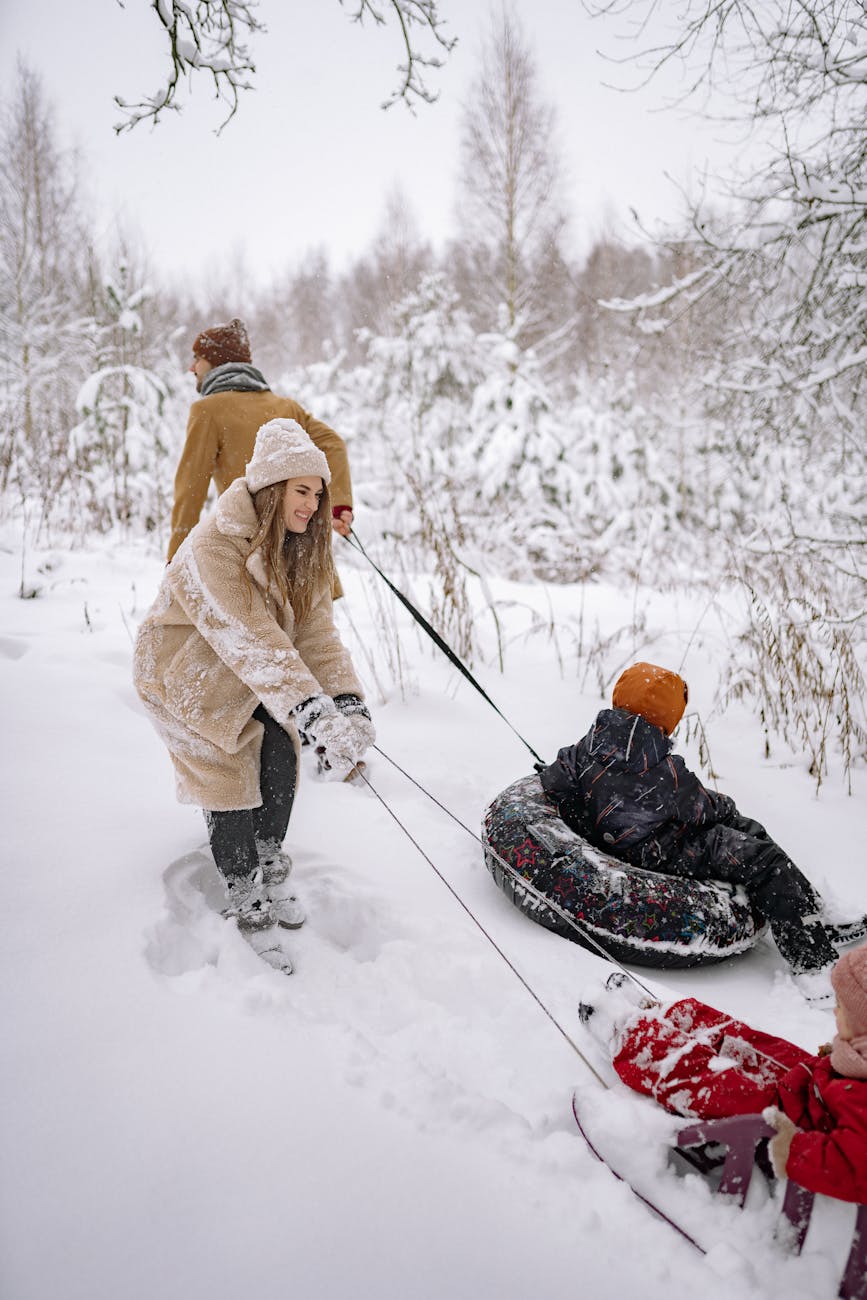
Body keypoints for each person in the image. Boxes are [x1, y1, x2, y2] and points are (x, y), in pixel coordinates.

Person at [135, 417, 374, 972]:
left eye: (319, 493)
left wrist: (345, 702)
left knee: (279, 751)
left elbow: (315, 635)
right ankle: (244, 891)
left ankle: (269, 861)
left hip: (246, 671)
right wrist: (311, 708)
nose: (313, 505)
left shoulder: (305, 549)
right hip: (182, 672)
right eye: (301, 491)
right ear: (272, 488)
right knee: (226, 767)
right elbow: (248, 634)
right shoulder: (212, 546)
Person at [538, 662, 864, 997]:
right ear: (668, 717)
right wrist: (727, 808)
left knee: (746, 834)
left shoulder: (588, 744)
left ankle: (812, 913)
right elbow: (701, 808)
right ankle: (813, 961)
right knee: (763, 857)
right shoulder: (666, 770)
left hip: (611, 834)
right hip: (656, 849)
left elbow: (554, 778)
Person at [578, 945, 867, 1204]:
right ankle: (664, 1015)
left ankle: (630, 1036)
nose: (834, 1012)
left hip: (788, 1122)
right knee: (742, 1038)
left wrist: (788, 1144)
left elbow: (852, 1166)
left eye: (842, 1009)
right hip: (812, 1083)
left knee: (703, 1077)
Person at [168, 317, 355, 565]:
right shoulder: (286, 406)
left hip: (249, 552)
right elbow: (333, 445)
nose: (192, 368)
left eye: (197, 358)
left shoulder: (208, 410)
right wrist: (339, 507)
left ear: (217, 362)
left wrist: (176, 557)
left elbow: (190, 490)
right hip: (298, 552)